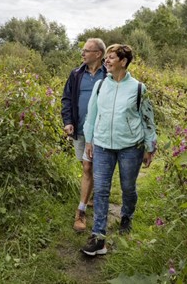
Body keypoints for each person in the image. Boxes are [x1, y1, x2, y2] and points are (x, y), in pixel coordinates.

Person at [80, 44, 157, 256]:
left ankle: (126, 216)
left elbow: (148, 119)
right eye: (106, 58)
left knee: (128, 187)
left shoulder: (139, 88)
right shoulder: (100, 86)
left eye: (111, 57)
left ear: (123, 62)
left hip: (130, 147)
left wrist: (149, 147)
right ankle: (98, 237)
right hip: (103, 145)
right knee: (102, 190)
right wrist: (89, 140)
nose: (107, 61)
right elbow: (92, 115)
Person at [61, 38, 107, 232]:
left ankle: (80, 211)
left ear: (98, 54)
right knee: (86, 165)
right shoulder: (76, 74)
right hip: (79, 129)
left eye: (86, 50)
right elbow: (67, 98)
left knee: (88, 167)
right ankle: (89, 196)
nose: (83, 54)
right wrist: (68, 121)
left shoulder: (109, 75)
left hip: (101, 131)